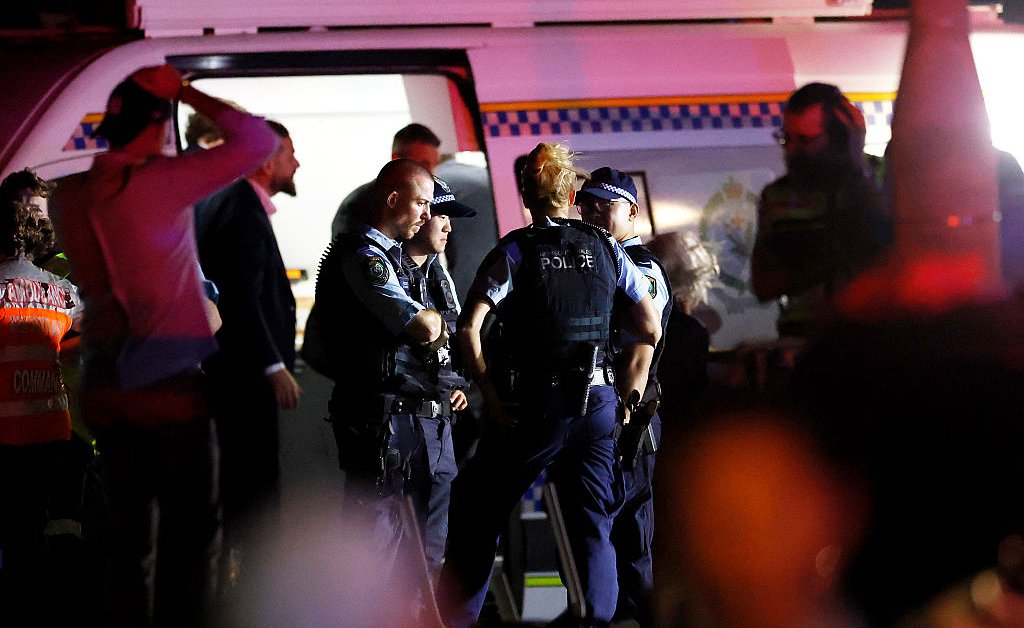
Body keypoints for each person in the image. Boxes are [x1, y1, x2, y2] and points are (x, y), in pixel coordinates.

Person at [50, 64, 278, 627]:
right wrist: (185, 89)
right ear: (157, 125)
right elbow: (259, 140)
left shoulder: (70, 195)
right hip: (168, 381)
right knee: (194, 529)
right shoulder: (159, 181)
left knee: (133, 534)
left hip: (105, 384)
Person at [437, 142, 662, 628]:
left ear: (525, 195)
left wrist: (490, 395)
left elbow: (469, 326)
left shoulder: (518, 249)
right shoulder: (607, 248)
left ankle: (453, 619)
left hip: (539, 407)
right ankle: (598, 620)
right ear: (571, 194)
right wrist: (623, 391)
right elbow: (650, 327)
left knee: (480, 510)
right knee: (593, 526)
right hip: (599, 404)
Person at [304, 158, 451, 617]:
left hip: (407, 416)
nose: (429, 216)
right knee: (376, 540)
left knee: (419, 545)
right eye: (422, 203)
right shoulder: (364, 258)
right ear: (393, 200)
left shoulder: (398, 259)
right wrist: (438, 325)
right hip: (378, 420)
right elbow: (423, 326)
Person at [193, 119, 302, 597]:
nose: (296, 163)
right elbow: (242, 295)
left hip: (242, 377)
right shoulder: (239, 208)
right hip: (244, 381)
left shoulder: (238, 206)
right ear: (263, 160)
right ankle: (252, 594)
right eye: (289, 153)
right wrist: (272, 364)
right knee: (252, 488)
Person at [574, 167, 672, 626]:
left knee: (631, 540)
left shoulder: (641, 268)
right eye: (585, 204)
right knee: (594, 536)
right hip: (593, 416)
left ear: (630, 211)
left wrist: (626, 416)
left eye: (603, 204)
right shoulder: (590, 263)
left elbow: (639, 352)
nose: (591, 211)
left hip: (629, 419)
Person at [751, 82, 891, 339]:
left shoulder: (883, 178)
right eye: (786, 138)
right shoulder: (778, 196)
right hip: (805, 335)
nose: (791, 150)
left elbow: (896, 251)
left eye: (804, 140)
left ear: (840, 137)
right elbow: (762, 284)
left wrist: (856, 168)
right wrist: (828, 254)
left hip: (877, 332)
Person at [0, 196, 82, 622]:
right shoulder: (60, 290)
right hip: (53, 431)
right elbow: (101, 326)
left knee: (17, 537)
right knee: (38, 528)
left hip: (6, 436)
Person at [397, 175, 477, 578]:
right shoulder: (386, 271)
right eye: (440, 215)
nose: (448, 226)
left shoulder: (437, 274)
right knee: (389, 537)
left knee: (433, 543)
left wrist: (458, 383)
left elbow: (450, 336)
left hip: (438, 421)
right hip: (399, 421)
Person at [331, 123, 441, 238]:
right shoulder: (359, 206)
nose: (431, 172)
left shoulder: (427, 202)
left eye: (435, 164)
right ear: (396, 158)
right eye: (423, 164)